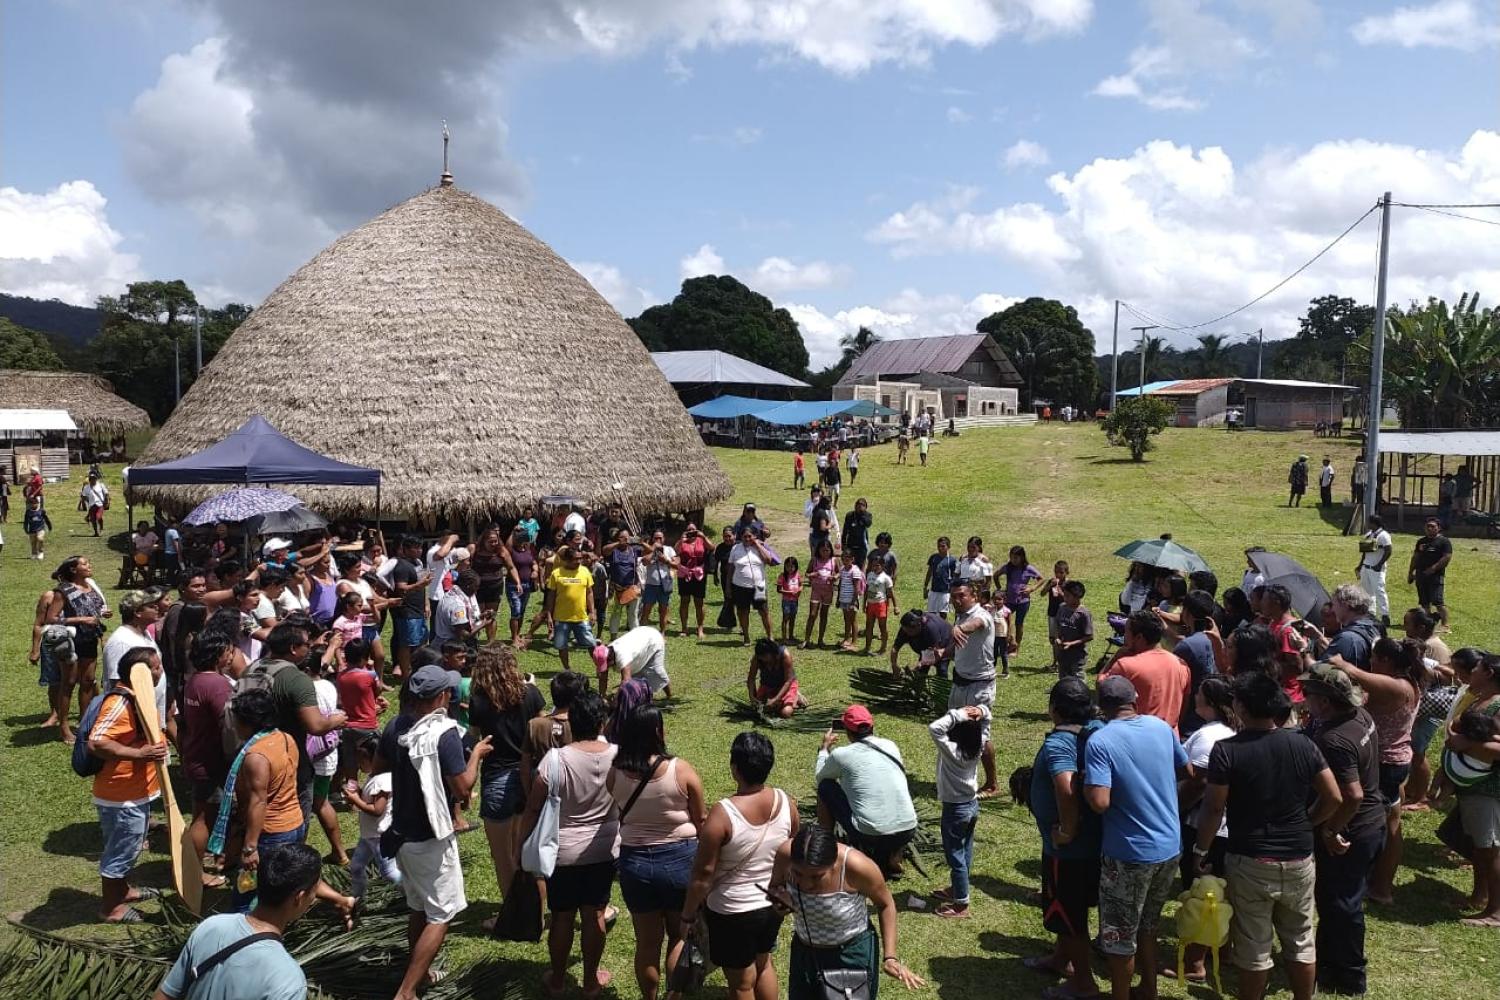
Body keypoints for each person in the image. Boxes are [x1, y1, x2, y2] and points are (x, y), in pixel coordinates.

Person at [1194, 671, 1340, 1000]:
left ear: (1242, 708)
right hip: (1300, 857)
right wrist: (1308, 821)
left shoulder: (1226, 751)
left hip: (1249, 859)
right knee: (1301, 939)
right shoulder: (1303, 743)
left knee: (1253, 942)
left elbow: (1214, 808)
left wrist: (1200, 849)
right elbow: (1334, 797)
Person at [379, 663, 491, 1000]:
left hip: (401, 833)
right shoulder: (444, 733)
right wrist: (477, 757)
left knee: (420, 907)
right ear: (442, 696)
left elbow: (379, 769)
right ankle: (407, 991)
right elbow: (462, 788)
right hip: (429, 838)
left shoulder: (396, 725)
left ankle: (423, 973)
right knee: (442, 914)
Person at [1083, 676, 1188, 1000]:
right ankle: (1149, 989)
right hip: (1170, 846)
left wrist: (1087, 786)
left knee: (1119, 935)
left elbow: (1100, 802)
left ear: (1101, 706)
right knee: (1149, 925)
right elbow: (1186, 771)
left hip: (1129, 853)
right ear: (1136, 699)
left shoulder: (1100, 741)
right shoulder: (1161, 727)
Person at [516, 689, 619, 998]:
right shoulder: (618, 755)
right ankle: (590, 982)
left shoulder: (556, 760)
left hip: (563, 852)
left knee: (562, 916)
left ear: (573, 721)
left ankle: (558, 980)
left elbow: (533, 807)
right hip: (604, 851)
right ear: (602, 722)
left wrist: (521, 845)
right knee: (595, 915)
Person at [682, 731, 796, 1000]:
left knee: (742, 984)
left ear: (735, 768)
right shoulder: (786, 803)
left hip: (731, 910)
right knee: (764, 963)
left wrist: (687, 914)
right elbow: (791, 848)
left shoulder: (723, 814)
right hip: (770, 903)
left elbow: (703, 874)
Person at [608, 704, 707, 1000]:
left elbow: (615, 808)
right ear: (657, 732)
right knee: (678, 936)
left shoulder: (616, 772)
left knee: (647, 944)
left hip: (635, 865)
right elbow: (701, 820)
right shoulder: (680, 769)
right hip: (679, 861)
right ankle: (673, 995)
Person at [1299, 664, 1386, 996]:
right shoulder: (1359, 715)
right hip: (1372, 823)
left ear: (1325, 701)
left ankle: (1349, 976)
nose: (1304, 699)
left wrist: (1328, 829)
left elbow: (1350, 795)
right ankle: (1328, 966)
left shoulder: (1333, 739)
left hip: (1352, 831)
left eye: (1308, 694)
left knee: (1342, 904)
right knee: (1339, 900)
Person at [769, 825, 925, 999]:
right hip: (805, 952)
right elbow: (775, 886)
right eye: (798, 874)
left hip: (850, 955)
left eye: (816, 876)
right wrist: (780, 900)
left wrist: (890, 957)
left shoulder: (857, 866)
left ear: (833, 862)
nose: (806, 884)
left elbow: (886, 904)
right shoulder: (785, 855)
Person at [152, 842, 323, 1000]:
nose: (314, 899)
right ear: (299, 898)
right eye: (314, 891)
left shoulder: (212, 926)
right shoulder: (288, 981)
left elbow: (165, 995)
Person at [1327, 637, 1424, 905]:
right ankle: (1380, 885)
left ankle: (1373, 884)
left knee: (1368, 824)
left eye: (1375, 658)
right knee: (1391, 821)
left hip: (1384, 763)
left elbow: (1353, 673)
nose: (1370, 662)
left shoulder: (1397, 686)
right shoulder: (1408, 680)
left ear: (1387, 661)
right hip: (1395, 759)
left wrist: (1337, 661)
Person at [1026, 677, 1103, 999]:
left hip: (1067, 852)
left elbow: (1065, 784)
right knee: (1066, 913)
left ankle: (1083, 982)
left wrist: (1066, 831)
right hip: (1095, 843)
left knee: (1070, 916)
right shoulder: (1098, 729)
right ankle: (1060, 958)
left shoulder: (1060, 742)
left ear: (1055, 710)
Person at [85, 646, 166, 923]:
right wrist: (139, 754)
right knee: (122, 851)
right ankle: (111, 909)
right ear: (138, 673)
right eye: (154, 667)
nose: (160, 671)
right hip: (121, 796)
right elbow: (97, 741)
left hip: (136, 792)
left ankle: (123, 891)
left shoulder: (138, 697)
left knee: (129, 846)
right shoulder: (120, 703)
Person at [218, 686, 308, 913]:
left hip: (271, 832)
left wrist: (249, 848)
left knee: (247, 894)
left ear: (247, 722)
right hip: (294, 822)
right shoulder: (286, 738)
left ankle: (245, 933)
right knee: (282, 885)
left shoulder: (255, 756)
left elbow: (259, 802)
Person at [1171, 675, 1237, 983]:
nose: (1193, 696)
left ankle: (1197, 962)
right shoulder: (1228, 730)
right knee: (1220, 893)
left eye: (1198, 693)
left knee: (1202, 894)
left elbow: (1198, 781)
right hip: (1224, 829)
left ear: (1208, 701)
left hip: (1205, 828)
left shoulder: (1211, 738)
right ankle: (1221, 951)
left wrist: (1175, 808)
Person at [815, 706, 918, 875]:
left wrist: (825, 749)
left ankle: (827, 844)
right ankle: (894, 853)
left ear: (847, 732)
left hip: (871, 833)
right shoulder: (890, 745)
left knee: (825, 787)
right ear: (872, 727)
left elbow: (821, 777)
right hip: (908, 830)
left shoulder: (841, 754)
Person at [1444, 652, 1500, 927]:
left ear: (1488, 672)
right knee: (1480, 847)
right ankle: (1479, 897)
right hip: (1473, 785)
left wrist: (1464, 743)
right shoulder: (1482, 699)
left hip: (1489, 788)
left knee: (1489, 848)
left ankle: (1496, 911)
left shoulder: (1499, 704)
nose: (1471, 671)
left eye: (1476, 667)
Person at [181, 634, 237, 888]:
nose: (231, 655)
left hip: (196, 755)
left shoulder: (195, 680)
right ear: (216, 655)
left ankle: (197, 863)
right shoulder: (217, 684)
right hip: (212, 761)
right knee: (205, 818)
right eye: (227, 651)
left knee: (200, 814)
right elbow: (228, 725)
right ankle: (195, 873)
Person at [929, 703, 990, 919]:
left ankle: (961, 904)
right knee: (965, 851)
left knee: (955, 856)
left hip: (955, 810)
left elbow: (935, 728)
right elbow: (987, 722)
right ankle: (957, 889)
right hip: (971, 805)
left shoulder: (953, 752)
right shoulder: (979, 744)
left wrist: (959, 714)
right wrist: (981, 711)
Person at [1101, 610, 1191, 736]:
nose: (1124, 636)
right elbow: (1184, 705)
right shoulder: (1181, 664)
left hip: (1137, 739)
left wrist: (1116, 657)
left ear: (1139, 638)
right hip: (1170, 740)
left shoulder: (1125, 666)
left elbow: (1102, 687)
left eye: (1126, 632)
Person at [948, 581, 999, 795]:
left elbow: (976, 624)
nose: (957, 600)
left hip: (979, 686)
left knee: (980, 735)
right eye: (954, 597)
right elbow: (961, 647)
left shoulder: (982, 615)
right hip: (960, 682)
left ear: (974, 596)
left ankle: (992, 784)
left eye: (962, 596)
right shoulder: (959, 616)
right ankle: (960, 776)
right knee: (953, 729)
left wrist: (959, 628)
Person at [48, 556, 111, 721]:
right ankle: (64, 727)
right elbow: (52, 618)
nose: (89, 566)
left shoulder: (91, 587)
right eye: (84, 564)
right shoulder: (63, 591)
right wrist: (81, 620)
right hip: (70, 641)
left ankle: (85, 721)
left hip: (89, 639)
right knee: (68, 682)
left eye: (88, 562)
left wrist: (103, 613)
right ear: (73, 570)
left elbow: (93, 610)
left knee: (88, 681)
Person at [343, 733, 402, 899]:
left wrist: (355, 800)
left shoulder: (383, 781)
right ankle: (357, 896)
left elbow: (377, 810)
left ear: (376, 759)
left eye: (361, 759)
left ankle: (413, 891)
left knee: (389, 873)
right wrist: (359, 793)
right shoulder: (374, 777)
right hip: (368, 836)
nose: (358, 763)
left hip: (379, 837)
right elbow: (370, 800)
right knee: (356, 866)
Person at [545, 546, 597, 670]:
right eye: (575, 559)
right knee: (562, 645)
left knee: (591, 644)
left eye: (580, 559)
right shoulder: (556, 574)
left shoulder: (585, 571)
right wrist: (548, 615)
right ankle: (567, 669)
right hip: (561, 618)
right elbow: (550, 596)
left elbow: (589, 592)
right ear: (567, 560)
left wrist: (592, 611)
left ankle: (599, 667)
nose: (579, 561)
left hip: (581, 617)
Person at [389, 535, 434, 678]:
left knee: (421, 641)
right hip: (407, 610)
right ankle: (405, 675)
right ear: (406, 549)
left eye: (420, 548)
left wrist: (426, 604)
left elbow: (423, 586)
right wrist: (419, 585)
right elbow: (401, 588)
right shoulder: (402, 566)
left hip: (419, 609)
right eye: (415, 548)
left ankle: (417, 670)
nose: (419, 551)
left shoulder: (418, 563)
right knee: (407, 643)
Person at [593, 624, 672, 699]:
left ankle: (669, 696)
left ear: (610, 658)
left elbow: (626, 682)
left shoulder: (621, 654)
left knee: (656, 670)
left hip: (653, 639)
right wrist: (602, 696)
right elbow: (603, 677)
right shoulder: (606, 652)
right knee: (636, 676)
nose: (607, 667)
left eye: (607, 664)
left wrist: (616, 699)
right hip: (640, 641)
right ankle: (639, 697)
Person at [729, 527, 778, 644]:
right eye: (745, 536)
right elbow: (730, 569)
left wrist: (757, 545)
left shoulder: (760, 547)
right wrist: (728, 587)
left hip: (759, 587)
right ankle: (746, 636)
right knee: (743, 612)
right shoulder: (735, 549)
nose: (747, 539)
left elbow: (769, 560)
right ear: (741, 537)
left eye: (750, 536)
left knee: (764, 612)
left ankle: (770, 636)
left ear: (755, 536)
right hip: (740, 586)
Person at [1408, 516, 1452, 629]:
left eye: (1432, 526)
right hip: (1421, 575)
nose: (1429, 528)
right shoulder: (1421, 542)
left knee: (1438, 602)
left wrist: (1433, 568)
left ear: (1439, 528)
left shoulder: (1444, 542)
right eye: (1427, 526)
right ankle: (1428, 624)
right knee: (1424, 603)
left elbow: (1446, 557)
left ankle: (1445, 625)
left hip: (1436, 576)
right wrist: (1410, 572)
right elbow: (1415, 557)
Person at [997, 545, 1042, 652]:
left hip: (1023, 601)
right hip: (1009, 601)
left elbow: (1041, 579)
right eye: (1011, 557)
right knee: (1003, 620)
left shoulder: (1028, 568)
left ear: (1022, 557)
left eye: (1016, 558)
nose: (1013, 560)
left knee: (1019, 623)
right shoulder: (1008, 567)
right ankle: (1010, 641)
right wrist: (1000, 589)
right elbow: (996, 575)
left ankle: (1016, 647)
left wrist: (1032, 588)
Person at [747, 637, 803, 719]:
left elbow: (788, 680)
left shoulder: (785, 655)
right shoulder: (757, 658)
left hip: (785, 685)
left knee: (785, 713)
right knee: (759, 710)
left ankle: (795, 696)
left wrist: (775, 699)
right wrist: (752, 696)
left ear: (771, 653)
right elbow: (751, 678)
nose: (762, 659)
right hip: (767, 685)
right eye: (760, 657)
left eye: (764, 656)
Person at [890, 608, 954, 679]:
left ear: (918, 626)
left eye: (909, 631)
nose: (906, 634)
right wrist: (894, 665)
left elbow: (935, 653)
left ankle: (942, 686)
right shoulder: (905, 628)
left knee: (941, 670)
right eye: (905, 630)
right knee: (921, 671)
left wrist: (920, 664)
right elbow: (895, 648)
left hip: (944, 643)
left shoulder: (930, 629)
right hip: (926, 647)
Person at [603, 527, 643, 638]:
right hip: (617, 587)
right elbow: (604, 550)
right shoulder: (613, 551)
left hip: (632, 587)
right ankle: (613, 638)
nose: (625, 540)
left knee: (633, 614)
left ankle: (635, 638)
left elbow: (650, 551)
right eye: (622, 537)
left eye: (627, 537)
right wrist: (617, 543)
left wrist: (642, 542)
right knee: (616, 613)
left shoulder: (634, 550)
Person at [675, 523, 710, 640]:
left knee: (699, 602)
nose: (691, 532)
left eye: (693, 530)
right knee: (684, 600)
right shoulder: (683, 541)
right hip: (685, 573)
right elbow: (675, 551)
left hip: (699, 573)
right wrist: (681, 540)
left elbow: (712, 547)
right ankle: (684, 628)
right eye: (689, 530)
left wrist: (703, 536)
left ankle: (700, 628)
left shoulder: (701, 540)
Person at [1357, 515, 1393, 627]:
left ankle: (1385, 615)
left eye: (1369, 522)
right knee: (1367, 591)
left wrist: (1379, 564)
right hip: (1366, 567)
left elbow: (1388, 551)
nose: (1368, 524)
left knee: (1379, 591)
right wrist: (1360, 565)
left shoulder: (1384, 535)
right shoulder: (1369, 534)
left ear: (1375, 523)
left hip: (1376, 569)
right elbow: (1365, 552)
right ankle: (1371, 613)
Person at [640, 529, 679, 633]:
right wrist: (653, 551)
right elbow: (644, 562)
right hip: (651, 584)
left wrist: (666, 560)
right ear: (652, 539)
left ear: (664, 539)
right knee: (646, 610)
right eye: (656, 538)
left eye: (660, 538)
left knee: (663, 610)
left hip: (664, 584)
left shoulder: (669, 549)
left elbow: (677, 565)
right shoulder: (648, 549)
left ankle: (662, 633)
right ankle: (642, 634)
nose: (658, 540)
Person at [1053, 580, 1093, 680]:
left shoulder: (1083, 614)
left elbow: (1089, 636)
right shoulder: (1062, 608)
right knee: (1063, 678)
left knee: (1077, 680)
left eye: (1067, 596)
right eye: (1064, 595)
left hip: (1077, 656)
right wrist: (1057, 637)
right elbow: (1058, 625)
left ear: (1077, 597)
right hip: (1062, 653)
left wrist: (1071, 644)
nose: (1064, 598)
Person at [803, 539, 837, 648]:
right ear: (819, 550)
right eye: (823, 550)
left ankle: (820, 640)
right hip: (816, 590)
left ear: (830, 550)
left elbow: (839, 572)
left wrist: (835, 577)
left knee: (824, 614)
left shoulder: (833, 560)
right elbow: (807, 573)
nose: (825, 553)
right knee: (812, 614)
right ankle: (806, 640)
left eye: (827, 550)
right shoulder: (814, 560)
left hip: (828, 591)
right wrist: (813, 574)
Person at [862, 553, 896, 656]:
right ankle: (867, 647)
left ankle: (883, 647)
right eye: (873, 565)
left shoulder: (886, 578)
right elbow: (866, 590)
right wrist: (864, 603)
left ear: (882, 566)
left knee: (882, 626)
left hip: (881, 604)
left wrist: (896, 606)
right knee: (869, 626)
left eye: (877, 565)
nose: (875, 567)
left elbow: (891, 593)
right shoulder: (870, 575)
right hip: (870, 604)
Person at [835, 548, 866, 651]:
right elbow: (840, 584)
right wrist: (838, 599)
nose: (845, 560)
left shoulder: (855, 570)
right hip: (843, 599)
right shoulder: (843, 569)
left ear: (852, 559)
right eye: (843, 558)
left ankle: (854, 642)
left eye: (848, 558)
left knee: (853, 620)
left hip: (851, 600)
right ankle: (846, 639)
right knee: (846, 619)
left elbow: (856, 588)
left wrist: (853, 602)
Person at [922, 536, 957, 618]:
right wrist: (925, 586)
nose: (940, 548)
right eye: (939, 546)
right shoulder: (933, 557)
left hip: (945, 591)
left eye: (943, 546)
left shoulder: (951, 560)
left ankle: (942, 629)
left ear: (948, 547)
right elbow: (929, 572)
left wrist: (952, 592)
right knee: (931, 613)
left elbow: (954, 576)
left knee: (943, 613)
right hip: (934, 590)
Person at [777, 555, 803, 643]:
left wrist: (799, 590)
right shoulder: (782, 576)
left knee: (793, 618)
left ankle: (791, 636)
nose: (790, 568)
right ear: (785, 566)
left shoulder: (797, 575)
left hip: (795, 601)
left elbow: (801, 585)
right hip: (786, 601)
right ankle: (784, 638)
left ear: (796, 566)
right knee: (785, 618)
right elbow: (779, 590)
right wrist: (790, 593)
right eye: (788, 566)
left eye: (792, 566)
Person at [841, 497, 872, 567]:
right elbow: (845, 530)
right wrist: (843, 543)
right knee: (849, 565)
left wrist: (862, 514)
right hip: (850, 544)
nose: (860, 506)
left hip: (862, 545)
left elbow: (868, 524)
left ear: (865, 507)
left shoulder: (867, 515)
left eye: (862, 505)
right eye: (858, 504)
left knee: (860, 565)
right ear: (855, 506)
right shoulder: (850, 515)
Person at [79, 471, 109, 537]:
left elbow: (106, 493)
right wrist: (86, 501)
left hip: (100, 504)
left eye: (94, 478)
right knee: (93, 519)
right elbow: (83, 496)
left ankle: (101, 526)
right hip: (91, 505)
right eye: (91, 479)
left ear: (96, 479)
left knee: (98, 517)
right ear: (89, 479)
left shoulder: (101, 485)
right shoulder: (86, 487)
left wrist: (106, 501)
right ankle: (96, 532)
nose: (93, 480)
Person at [24, 493, 52, 560]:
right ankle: (34, 553)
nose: (34, 505)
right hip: (32, 529)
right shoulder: (28, 512)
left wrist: (49, 526)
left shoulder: (41, 511)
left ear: (37, 503)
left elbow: (46, 518)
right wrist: (26, 528)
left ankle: (41, 552)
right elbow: (26, 521)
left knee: (40, 539)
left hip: (40, 529)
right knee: (33, 542)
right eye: (32, 504)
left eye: (35, 503)